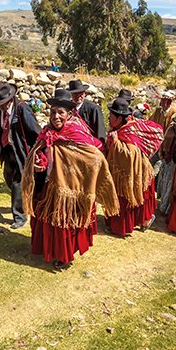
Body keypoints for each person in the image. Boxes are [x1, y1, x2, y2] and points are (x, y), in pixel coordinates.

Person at [21, 89, 119, 270]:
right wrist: (39, 162)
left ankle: (64, 256)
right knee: (46, 219)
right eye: (53, 113)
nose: (56, 117)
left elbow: (95, 156)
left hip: (69, 189)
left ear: (69, 114)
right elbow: (42, 154)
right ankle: (49, 250)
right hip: (49, 185)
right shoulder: (47, 132)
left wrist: (83, 178)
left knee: (64, 222)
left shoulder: (75, 132)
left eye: (60, 113)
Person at [104, 98, 163, 236]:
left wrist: (116, 143)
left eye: (111, 115)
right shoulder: (117, 129)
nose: (109, 117)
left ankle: (139, 223)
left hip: (136, 173)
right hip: (124, 173)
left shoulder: (129, 131)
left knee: (131, 199)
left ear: (119, 118)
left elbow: (131, 154)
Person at [0, 82, 41, 229]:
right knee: (8, 177)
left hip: (21, 150)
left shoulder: (22, 110)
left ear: (11, 99)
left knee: (17, 183)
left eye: (4, 103)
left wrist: (37, 151)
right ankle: (24, 201)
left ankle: (19, 216)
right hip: (7, 150)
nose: (2, 106)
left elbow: (36, 131)